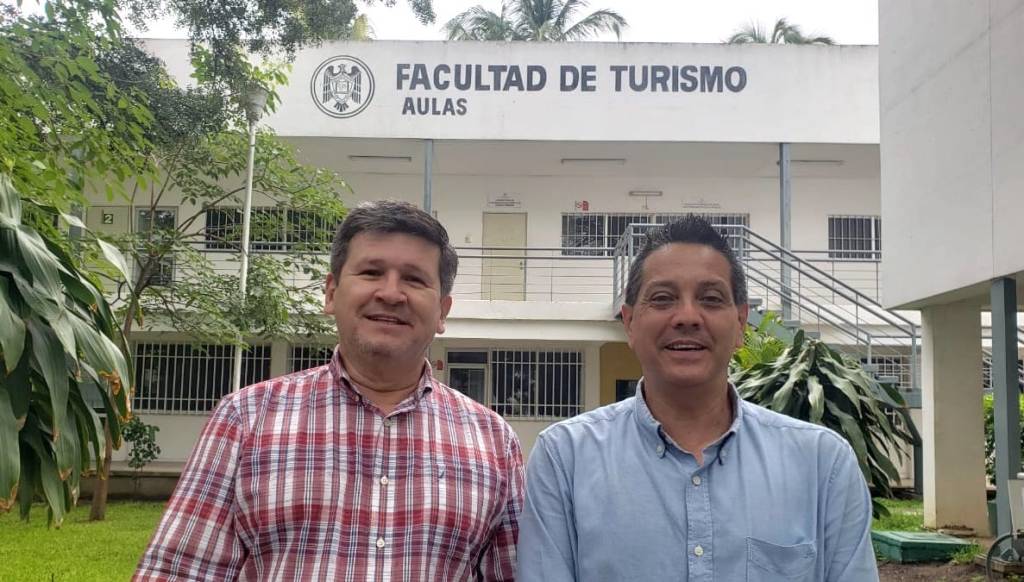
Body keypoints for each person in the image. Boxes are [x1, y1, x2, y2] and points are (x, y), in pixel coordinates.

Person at [136, 200, 524, 581]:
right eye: (371, 272)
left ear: (442, 311)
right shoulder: (246, 419)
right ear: (331, 293)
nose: (391, 293)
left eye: (414, 279)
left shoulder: (494, 441)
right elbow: (179, 572)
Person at [516, 216, 878, 582]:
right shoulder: (565, 460)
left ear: (741, 323)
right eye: (663, 298)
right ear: (629, 323)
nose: (687, 317)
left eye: (710, 299)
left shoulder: (822, 465)